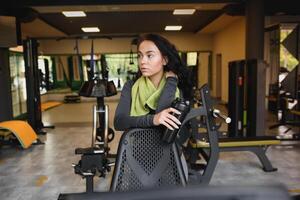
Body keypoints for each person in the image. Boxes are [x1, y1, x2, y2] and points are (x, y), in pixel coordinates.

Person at [114, 33, 192, 131]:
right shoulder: (130, 86)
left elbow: (164, 122)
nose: (142, 61)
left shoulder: (177, 86)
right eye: (140, 56)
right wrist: (153, 119)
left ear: (164, 60)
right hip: (136, 145)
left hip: (168, 146)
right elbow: (119, 122)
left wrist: (171, 82)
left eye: (150, 55)